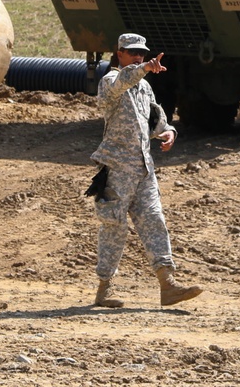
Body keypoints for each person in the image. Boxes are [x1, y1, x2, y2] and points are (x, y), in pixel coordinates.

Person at [89, 33, 203, 308]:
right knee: (114, 227)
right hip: (117, 169)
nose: (138, 56)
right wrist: (143, 69)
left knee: (154, 222)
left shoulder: (145, 88)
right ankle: (105, 289)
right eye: (132, 52)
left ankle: (168, 285)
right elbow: (122, 83)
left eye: (142, 53)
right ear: (120, 54)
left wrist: (168, 132)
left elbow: (155, 120)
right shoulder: (110, 81)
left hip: (143, 169)